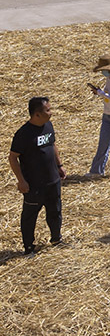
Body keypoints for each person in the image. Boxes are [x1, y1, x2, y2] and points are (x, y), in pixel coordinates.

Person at [9, 97, 66, 255]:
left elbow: (52, 144)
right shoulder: (23, 134)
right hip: (34, 185)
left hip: (52, 180)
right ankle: (29, 247)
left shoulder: (48, 125)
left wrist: (59, 166)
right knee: (30, 216)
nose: (51, 112)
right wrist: (21, 181)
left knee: (55, 211)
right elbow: (13, 157)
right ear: (37, 114)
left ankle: (56, 239)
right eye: (48, 110)